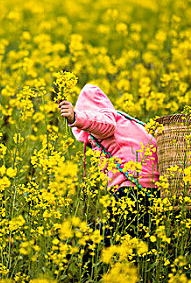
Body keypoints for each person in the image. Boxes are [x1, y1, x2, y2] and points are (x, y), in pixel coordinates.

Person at [58, 84, 159, 257]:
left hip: (131, 189)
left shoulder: (106, 120)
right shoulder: (127, 123)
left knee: (107, 247)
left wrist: (76, 117)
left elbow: (105, 125)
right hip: (153, 191)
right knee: (139, 247)